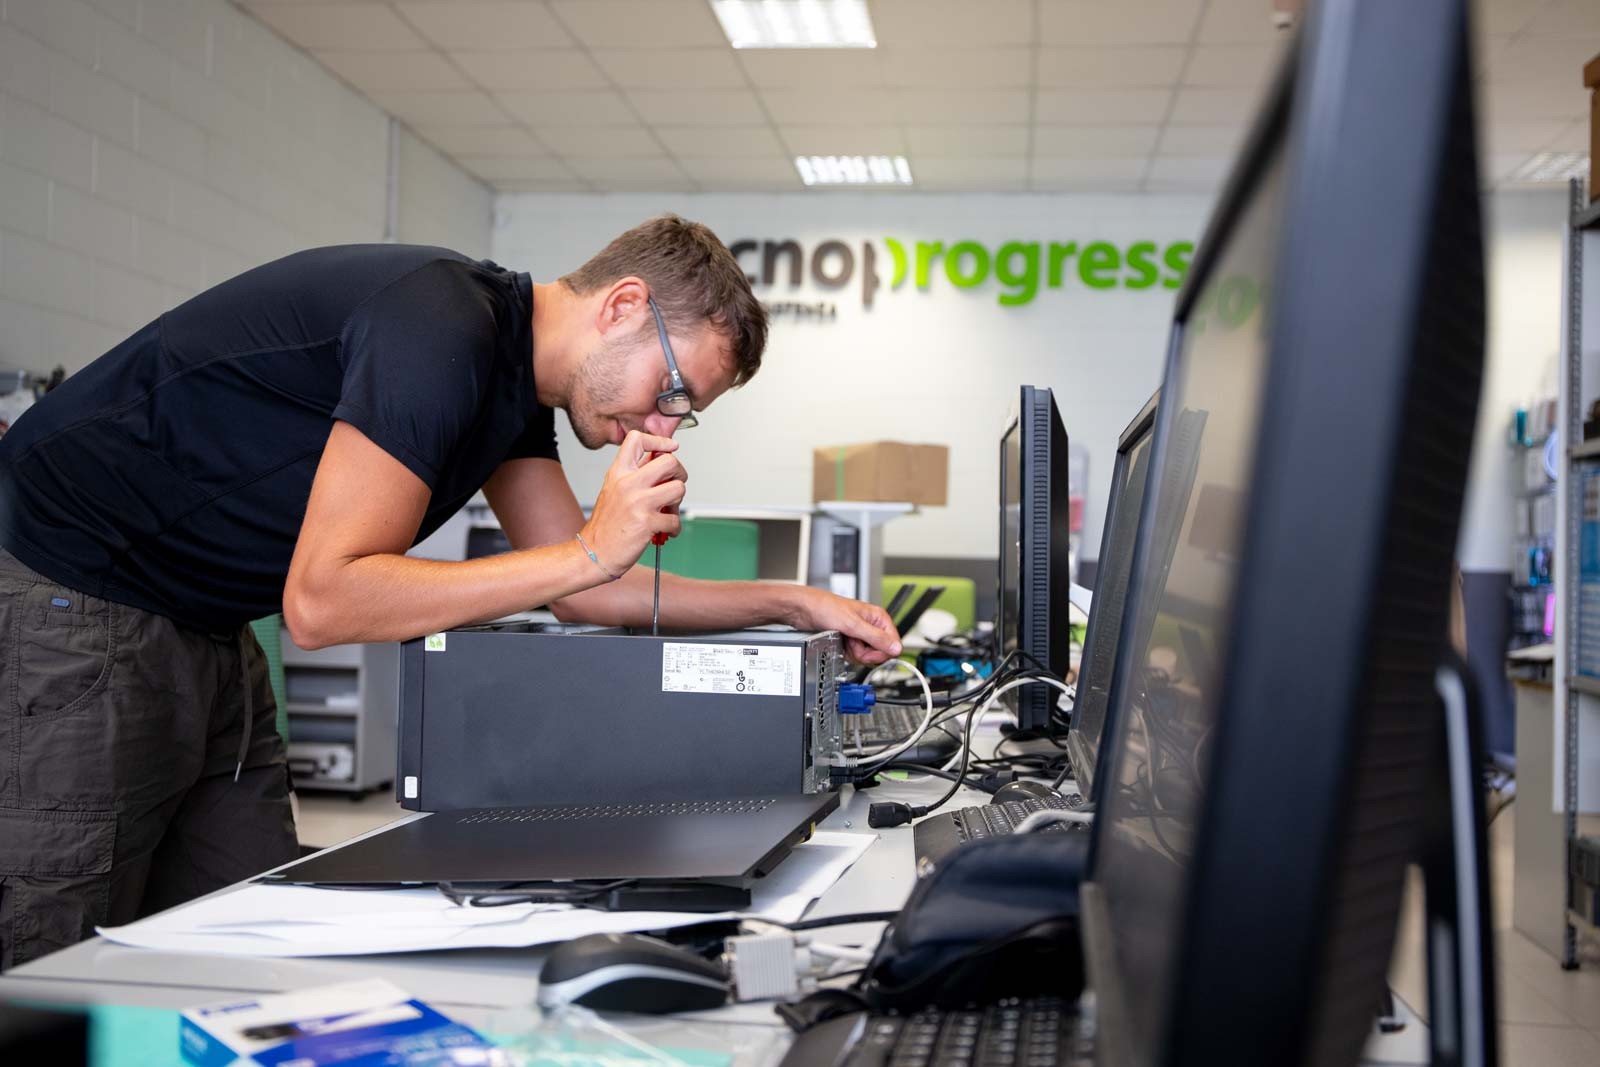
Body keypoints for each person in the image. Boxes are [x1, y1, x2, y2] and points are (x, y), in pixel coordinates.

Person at [0, 214, 902, 969]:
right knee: (52, 953)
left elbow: (591, 592)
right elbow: (323, 603)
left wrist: (792, 602)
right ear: (623, 304)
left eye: (683, 410)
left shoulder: (514, 388)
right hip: (73, 593)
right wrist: (590, 549)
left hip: (205, 623)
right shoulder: (437, 328)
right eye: (670, 389)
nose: (662, 424)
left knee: (258, 943)